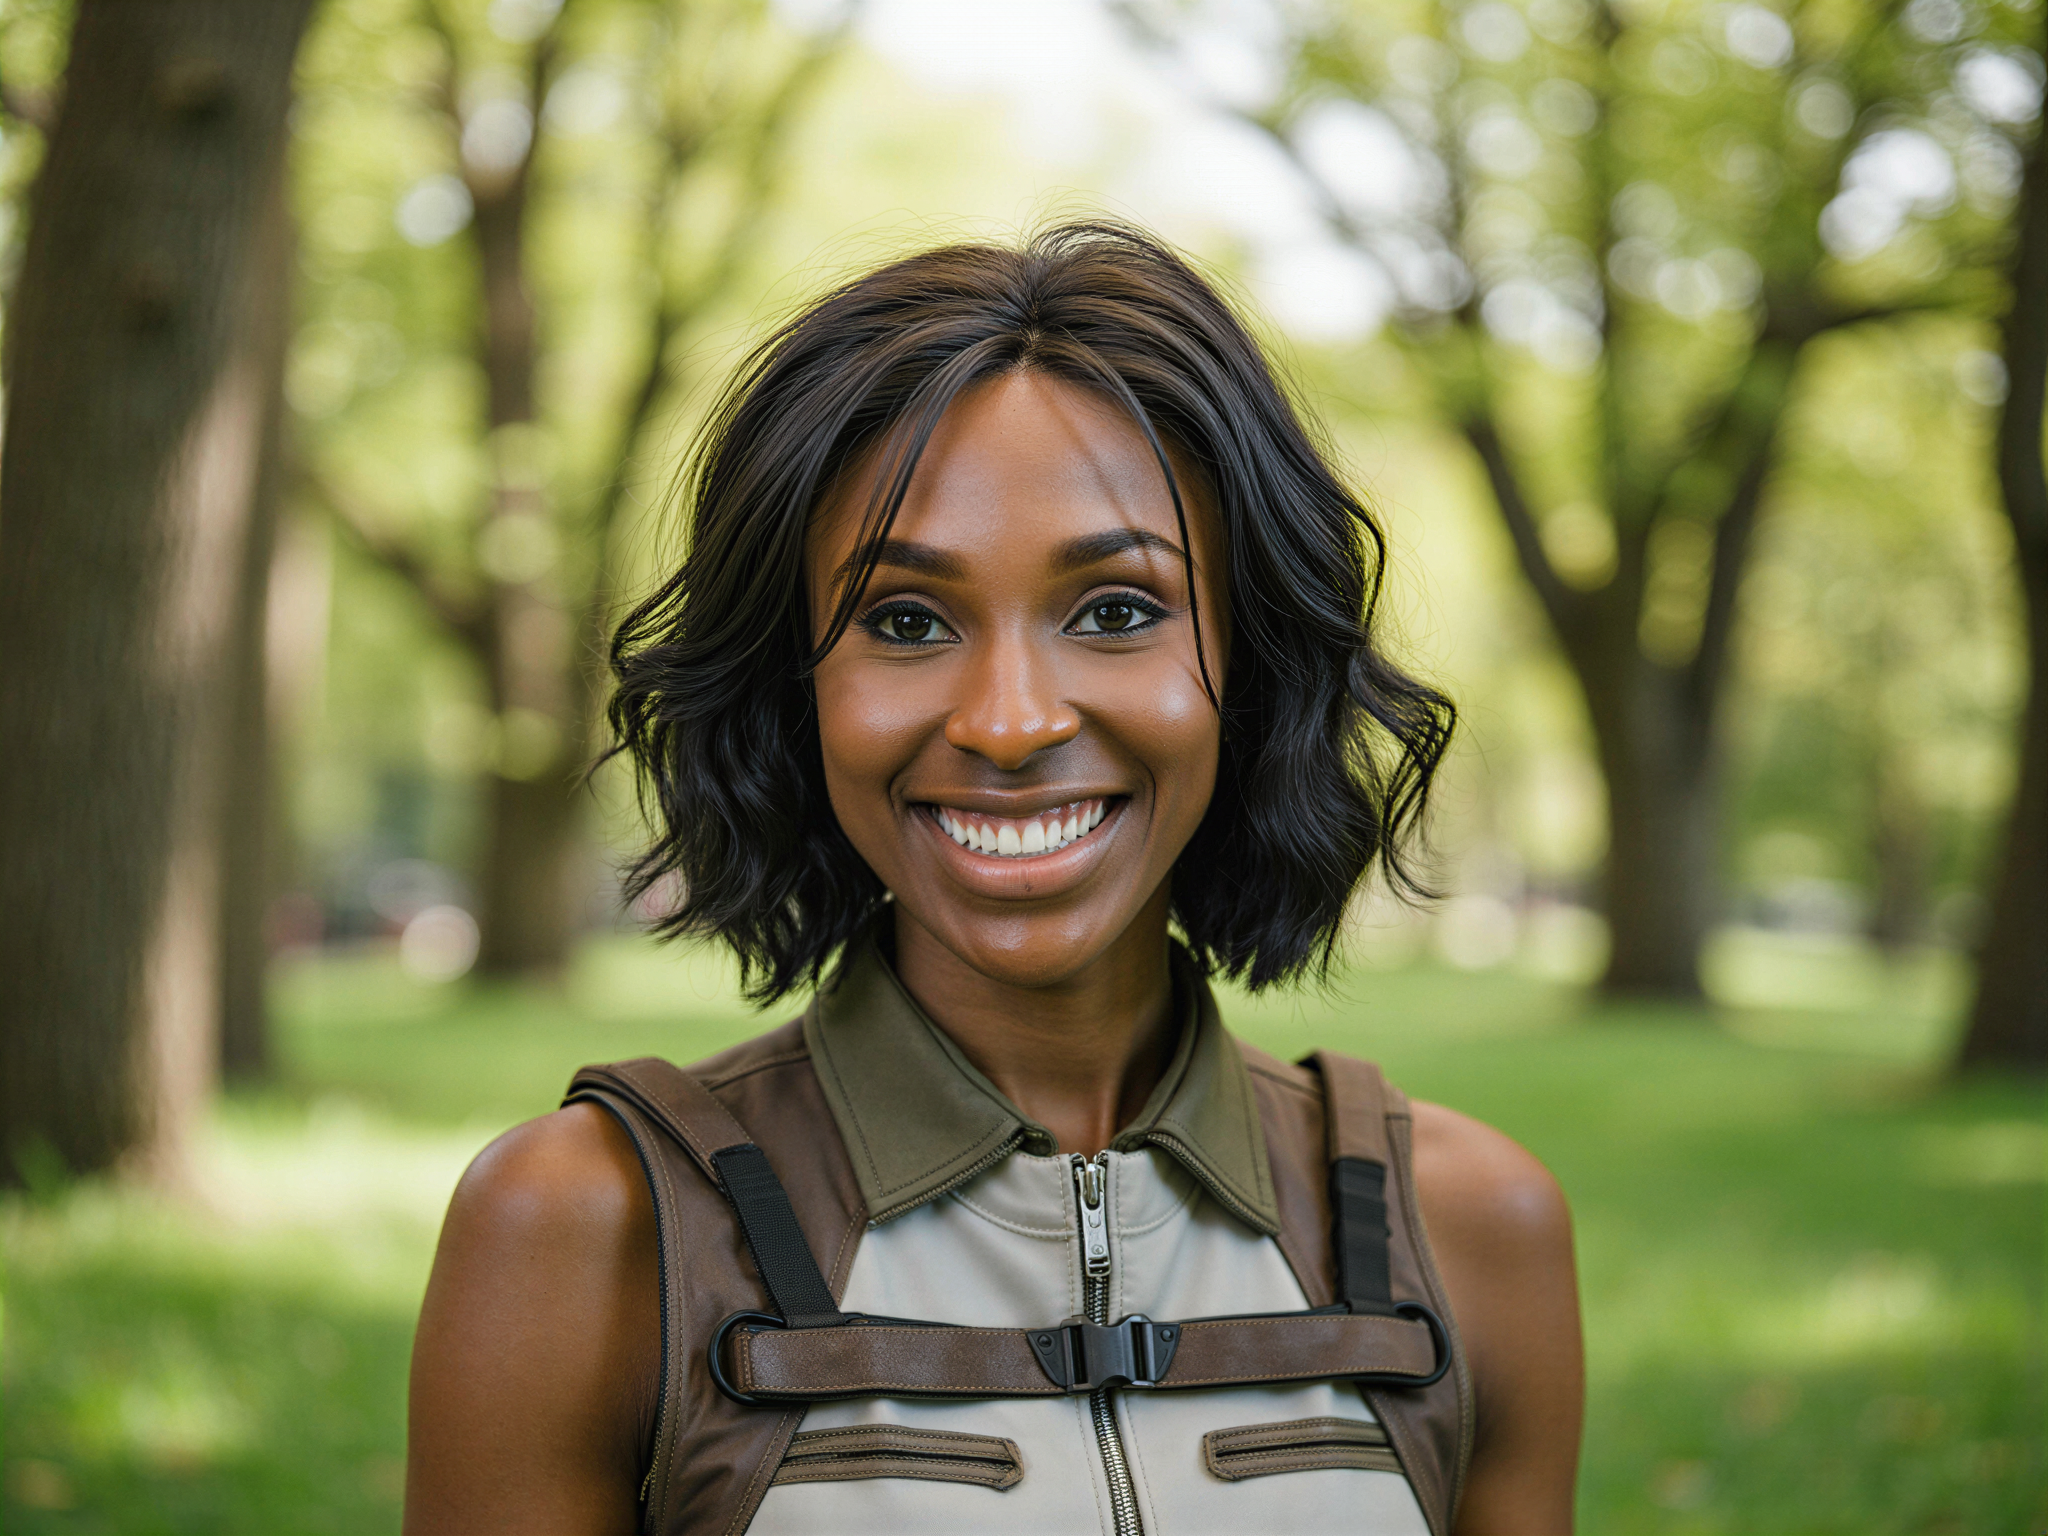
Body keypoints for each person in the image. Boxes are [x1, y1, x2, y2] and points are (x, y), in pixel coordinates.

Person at [404, 223, 1582, 1536]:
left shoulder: (1473, 1230)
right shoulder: (583, 1233)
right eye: (905, 622)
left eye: (1118, 610)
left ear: (1254, 664)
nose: (1010, 722)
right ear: (792, 691)